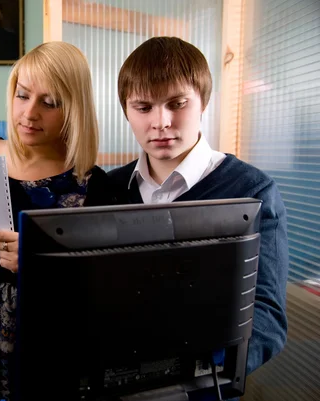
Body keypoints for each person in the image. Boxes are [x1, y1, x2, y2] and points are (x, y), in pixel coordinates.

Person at [0, 41, 116, 400]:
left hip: (48, 352)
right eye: (23, 95)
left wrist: (39, 262)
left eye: (50, 103)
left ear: (75, 110)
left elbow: (107, 293)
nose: (29, 113)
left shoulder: (98, 188)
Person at [108, 37, 288, 380]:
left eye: (177, 103)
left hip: (200, 385)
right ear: (126, 111)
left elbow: (267, 316)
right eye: (143, 107)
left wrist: (196, 366)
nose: (161, 122)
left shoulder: (251, 191)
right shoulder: (111, 188)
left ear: (203, 101)